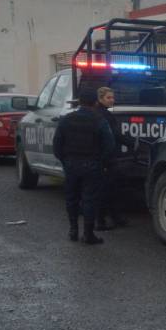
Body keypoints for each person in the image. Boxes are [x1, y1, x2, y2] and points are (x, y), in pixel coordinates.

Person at [53, 88, 114, 245]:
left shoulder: (66, 119)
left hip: (71, 164)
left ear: (79, 102)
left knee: (71, 198)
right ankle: (88, 234)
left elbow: (57, 145)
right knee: (89, 199)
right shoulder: (99, 120)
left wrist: (65, 161)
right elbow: (109, 145)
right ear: (95, 102)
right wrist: (101, 162)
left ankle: (73, 230)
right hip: (92, 165)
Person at [93, 86, 137, 231]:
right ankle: (103, 220)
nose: (112, 100)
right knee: (107, 189)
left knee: (110, 188)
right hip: (106, 157)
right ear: (100, 98)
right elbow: (114, 135)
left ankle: (113, 217)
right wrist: (132, 143)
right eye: (108, 97)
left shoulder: (100, 113)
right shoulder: (104, 115)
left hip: (101, 156)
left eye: (112, 97)